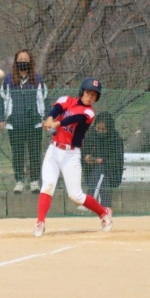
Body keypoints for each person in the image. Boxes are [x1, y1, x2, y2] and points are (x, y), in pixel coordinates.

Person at [33, 78, 113, 237]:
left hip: (71, 154)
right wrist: (50, 118)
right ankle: (40, 222)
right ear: (82, 91)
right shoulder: (66, 100)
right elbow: (56, 109)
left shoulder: (89, 113)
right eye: (87, 93)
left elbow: (74, 119)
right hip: (54, 150)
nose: (90, 97)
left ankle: (103, 212)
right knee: (48, 185)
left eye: (94, 95)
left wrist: (56, 124)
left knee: (75, 196)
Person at [0, 50, 48, 194]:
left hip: (34, 123)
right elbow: (1, 100)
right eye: (20, 59)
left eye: (26, 59)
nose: (23, 61)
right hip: (15, 124)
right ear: (16, 61)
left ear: (30, 61)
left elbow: (45, 99)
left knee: (35, 153)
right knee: (18, 153)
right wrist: (1, 119)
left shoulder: (37, 79)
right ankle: (19, 181)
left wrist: (46, 117)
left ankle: (34, 181)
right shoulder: (8, 80)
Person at [81, 112, 124, 208]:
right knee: (100, 174)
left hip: (112, 174)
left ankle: (89, 198)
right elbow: (82, 154)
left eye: (103, 130)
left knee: (101, 171)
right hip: (91, 173)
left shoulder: (116, 139)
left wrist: (102, 161)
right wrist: (87, 158)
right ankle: (106, 207)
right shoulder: (90, 135)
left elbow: (117, 161)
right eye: (98, 129)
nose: (100, 131)